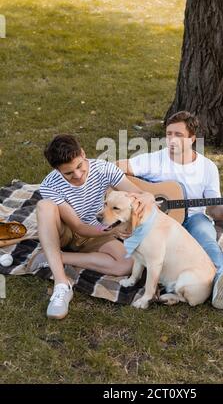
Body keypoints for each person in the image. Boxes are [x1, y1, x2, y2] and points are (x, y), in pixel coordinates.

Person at [117, 111, 223, 310]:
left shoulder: (208, 167)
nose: (171, 140)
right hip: (158, 223)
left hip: (194, 218)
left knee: (207, 241)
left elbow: (214, 212)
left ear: (192, 139)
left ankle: (222, 282)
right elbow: (117, 167)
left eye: (178, 135)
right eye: (168, 134)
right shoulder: (155, 159)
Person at [34, 134, 154, 319]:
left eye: (80, 166)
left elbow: (137, 194)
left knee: (127, 263)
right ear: (57, 170)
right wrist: (114, 229)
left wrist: (148, 196)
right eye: (69, 173)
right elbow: (79, 227)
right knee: (44, 206)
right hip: (68, 231)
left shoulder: (104, 168)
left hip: (98, 230)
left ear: (83, 154)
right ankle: (61, 285)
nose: (78, 175)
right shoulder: (49, 185)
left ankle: (56, 257)